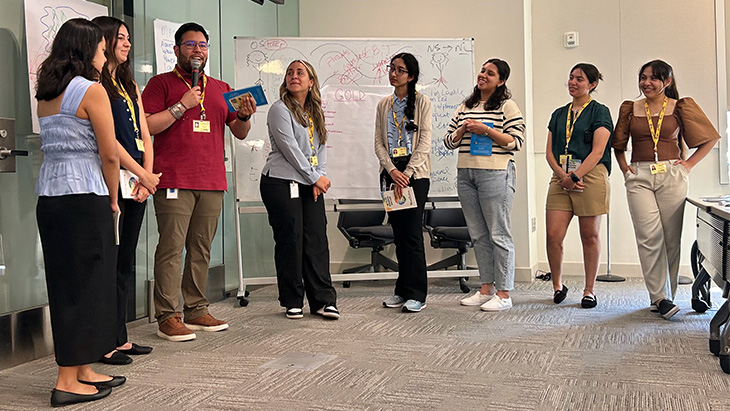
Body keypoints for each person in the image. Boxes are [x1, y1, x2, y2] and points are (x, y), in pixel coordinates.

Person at [141, 22, 255, 341]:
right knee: (171, 247)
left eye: (203, 45)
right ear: (177, 50)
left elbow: (240, 132)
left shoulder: (221, 87)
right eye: (190, 45)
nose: (197, 51)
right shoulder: (160, 83)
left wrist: (245, 116)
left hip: (212, 180)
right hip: (173, 179)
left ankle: (195, 308)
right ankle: (167, 314)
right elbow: (148, 125)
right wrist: (181, 106)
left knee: (200, 248)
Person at [35, 18, 125, 407]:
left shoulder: (47, 93)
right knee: (87, 285)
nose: (105, 54)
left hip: (51, 197)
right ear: (87, 50)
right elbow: (109, 153)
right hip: (85, 195)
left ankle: (83, 368)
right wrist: (114, 197)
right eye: (103, 48)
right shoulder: (92, 91)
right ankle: (66, 380)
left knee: (72, 283)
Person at [613, 60, 719, 319]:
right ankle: (658, 296)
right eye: (643, 77)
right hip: (639, 175)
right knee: (648, 236)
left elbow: (710, 138)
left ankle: (666, 294)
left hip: (672, 173)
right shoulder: (630, 108)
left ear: (667, 82)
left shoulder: (680, 107)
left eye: (654, 78)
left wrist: (687, 166)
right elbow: (618, 143)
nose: (646, 83)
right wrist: (625, 168)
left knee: (671, 238)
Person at [92, 16, 158, 365]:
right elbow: (109, 142)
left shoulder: (129, 83)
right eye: (120, 37)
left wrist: (147, 175)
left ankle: (120, 336)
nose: (127, 44)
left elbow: (145, 133)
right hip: (113, 176)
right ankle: (104, 339)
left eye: (128, 38)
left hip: (137, 178)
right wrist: (141, 175)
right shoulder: (95, 83)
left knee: (126, 260)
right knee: (110, 259)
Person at [260, 59, 339, 320]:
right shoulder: (279, 109)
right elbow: (290, 149)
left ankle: (323, 300)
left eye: (300, 73)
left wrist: (320, 177)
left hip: (309, 182)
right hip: (281, 182)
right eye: (290, 73)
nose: (294, 76)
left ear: (311, 81)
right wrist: (315, 178)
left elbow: (321, 148)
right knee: (291, 240)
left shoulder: (315, 113)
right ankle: (292, 299)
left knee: (316, 239)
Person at [444, 59, 525, 312]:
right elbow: (448, 141)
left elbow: (516, 142)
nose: (483, 75)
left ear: (501, 81)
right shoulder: (466, 105)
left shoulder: (507, 106)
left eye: (490, 73)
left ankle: (504, 293)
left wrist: (486, 130)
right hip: (466, 173)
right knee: (478, 234)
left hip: (495, 173)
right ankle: (486, 288)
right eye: (482, 71)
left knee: (498, 233)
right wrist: (461, 132)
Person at [544, 63, 613, 309]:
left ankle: (589, 290)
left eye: (580, 79)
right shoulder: (558, 114)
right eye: (571, 78)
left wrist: (575, 177)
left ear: (592, 85)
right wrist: (564, 176)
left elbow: (598, 151)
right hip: (561, 175)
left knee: (589, 235)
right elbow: (549, 152)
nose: (573, 82)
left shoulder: (600, 112)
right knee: (553, 235)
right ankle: (557, 285)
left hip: (590, 175)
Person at [374, 53, 432, 313]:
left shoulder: (422, 103)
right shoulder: (384, 104)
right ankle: (402, 289)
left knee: (411, 235)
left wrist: (406, 173)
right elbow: (378, 142)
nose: (393, 73)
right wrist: (391, 170)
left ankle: (417, 293)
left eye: (400, 70)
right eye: (391, 69)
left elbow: (425, 143)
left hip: (414, 175)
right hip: (391, 174)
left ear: (410, 76)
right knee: (398, 235)